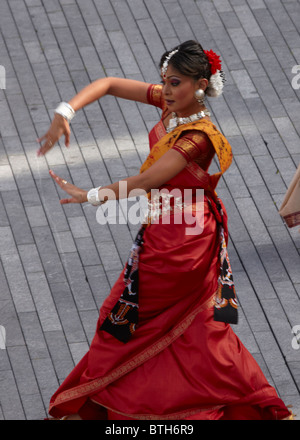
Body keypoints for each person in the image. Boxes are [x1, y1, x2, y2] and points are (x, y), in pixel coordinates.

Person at [38, 41, 292, 420]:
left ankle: (105, 403)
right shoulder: (174, 108)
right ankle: (239, 400)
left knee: (124, 319)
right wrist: (65, 112)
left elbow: (149, 179)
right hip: (166, 231)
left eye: (175, 83)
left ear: (201, 85)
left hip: (183, 243)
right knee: (197, 327)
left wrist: (90, 195)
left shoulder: (198, 138)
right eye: (164, 82)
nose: (166, 90)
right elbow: (108, 84)